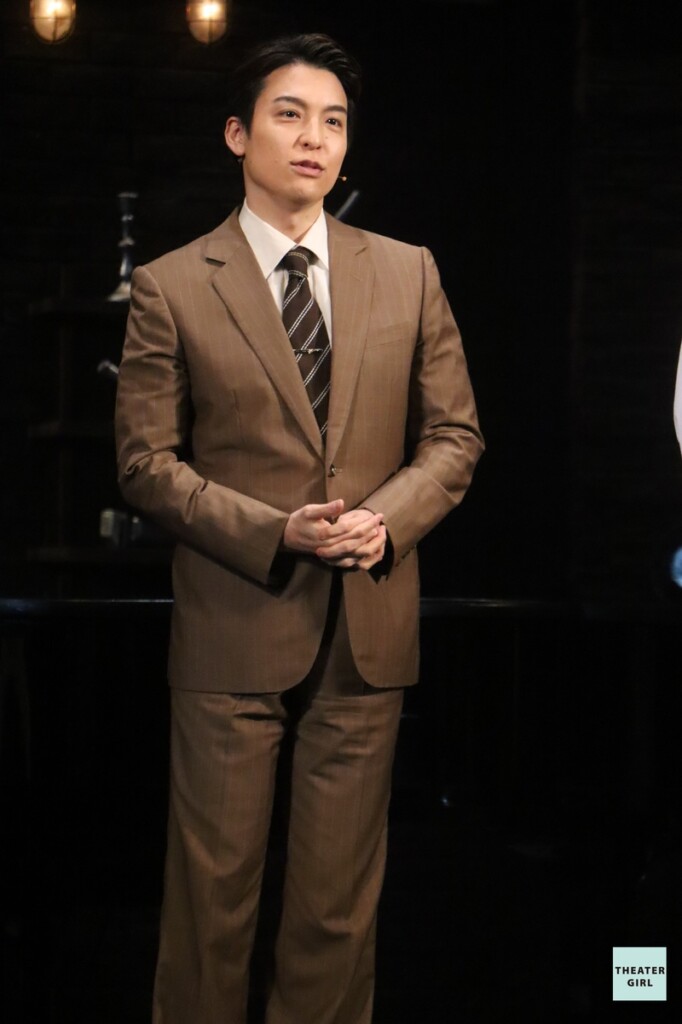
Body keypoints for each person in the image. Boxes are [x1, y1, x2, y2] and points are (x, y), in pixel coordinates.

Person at [115, 32, 483, 1024]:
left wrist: (384, 520)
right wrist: (275, 531)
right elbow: (144, 464)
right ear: (238, 134)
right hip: (233, 626)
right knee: (212, 905)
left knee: (335, 913)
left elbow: (455, 436)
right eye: (290, 115)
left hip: (366, 632)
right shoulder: (172, 284)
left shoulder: (407, 271)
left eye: (334, 121)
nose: (315, 138)